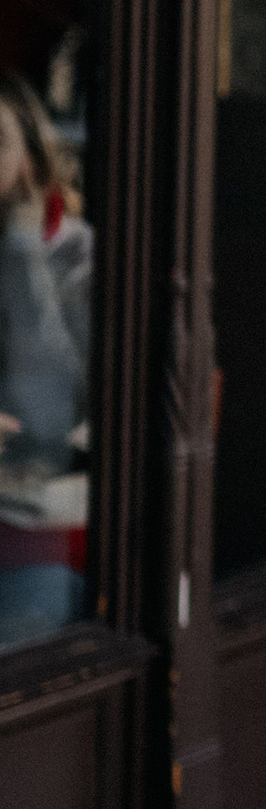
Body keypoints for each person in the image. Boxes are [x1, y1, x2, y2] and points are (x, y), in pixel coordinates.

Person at [0, 67, 90, 637]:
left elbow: (51, 416)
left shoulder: (76, 259)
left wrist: (25, 247)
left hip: (38, 538)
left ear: (31, 161)